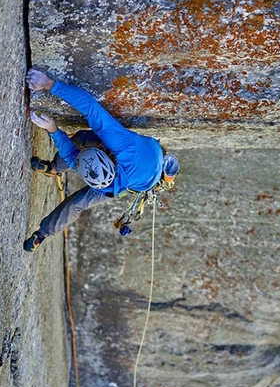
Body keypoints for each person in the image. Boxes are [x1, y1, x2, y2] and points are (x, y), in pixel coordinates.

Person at [24, 68, 180, 252]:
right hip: (142, 151)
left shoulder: (112, 186)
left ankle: (42, 234)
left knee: (78, 203)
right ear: (104, 151)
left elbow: (75, 159)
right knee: (82, 137)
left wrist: (54, 131)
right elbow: (90, 107)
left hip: (139, 178)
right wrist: (49, 84)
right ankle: (54, 167)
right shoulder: (119, 141)